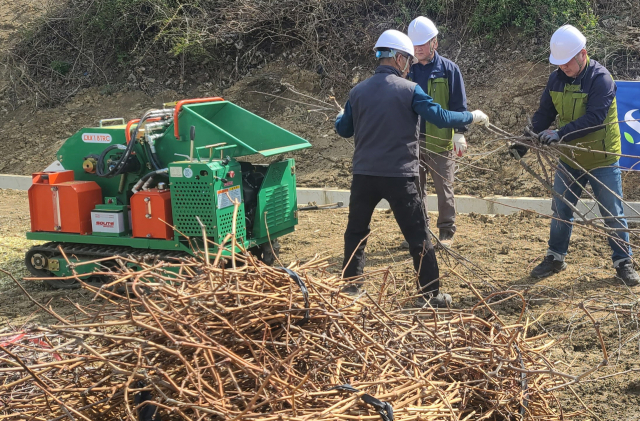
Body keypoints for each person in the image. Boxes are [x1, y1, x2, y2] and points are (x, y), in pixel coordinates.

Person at [335, 29, 490, 307]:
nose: (409, 65)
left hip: (364, 176)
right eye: (407, 59)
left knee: (356, 231)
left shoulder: (357, 91)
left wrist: (340, 117)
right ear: (398, 58)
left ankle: (352, 287)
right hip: (400, 176)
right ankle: (430, 294)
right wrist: (471, 117)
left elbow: (344, 129)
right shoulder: (409, 90)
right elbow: (440, 116)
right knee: (418, 236)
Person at [509, 25, 639, 286]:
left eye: (567, 62)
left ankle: (623, 262)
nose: (563, 67)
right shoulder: (556, 79)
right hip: (570, 159)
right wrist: (525, 141)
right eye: (559, 63)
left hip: (601, 158)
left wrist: (560, 134)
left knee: (612, 213)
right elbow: (544, 114)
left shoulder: (601, 79)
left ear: (583, 54)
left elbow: (594, 119)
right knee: (560, 208)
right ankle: (555, 257)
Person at [399, 16, 468, 249]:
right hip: (413, 142)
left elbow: (458, 105)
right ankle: (421, 230)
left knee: (444, 189)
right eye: (414, 44)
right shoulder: (405, 71)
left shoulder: (449, 70)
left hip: (440, 142)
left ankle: (446, 231)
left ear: (434, 43)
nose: (418, 49)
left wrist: (460, 132)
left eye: (423, 44)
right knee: (415, 189)